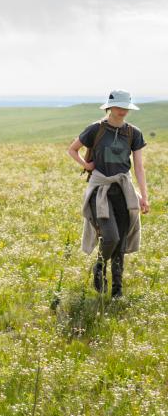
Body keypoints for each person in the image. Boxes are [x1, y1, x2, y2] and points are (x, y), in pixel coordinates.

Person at [68, 89, 149, 298]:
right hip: (100, 190)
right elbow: (72, 149)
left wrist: (144, 196)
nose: (122, 111)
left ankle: (117, 292)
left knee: (121, 242)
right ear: (109, 107)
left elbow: (138, 167)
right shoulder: (96, 129)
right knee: (110, 237)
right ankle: (99, 267)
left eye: (126, 108)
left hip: (123, 189)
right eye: (119, 107)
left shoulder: (133, 133)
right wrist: (86, 165)